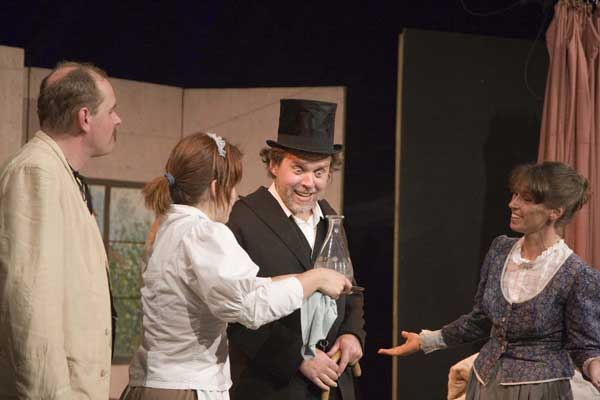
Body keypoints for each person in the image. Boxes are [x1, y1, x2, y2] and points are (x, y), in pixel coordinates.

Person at [122, 132, 351, 400]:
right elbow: (251, 307)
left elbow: (242, 287)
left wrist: (307, 278)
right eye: (232, 187)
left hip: (153, 381)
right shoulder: (205, 233)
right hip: (185, 385)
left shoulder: (166, 227)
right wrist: (315, 279)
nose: (234, 197)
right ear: (216, 188)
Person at [378, 161, 600, 399]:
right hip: (485, 384)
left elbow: (585, 345)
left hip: (539, 390)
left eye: (526, 199)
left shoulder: (577, 275)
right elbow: (481, 319)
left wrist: (594, 365)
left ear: (555, 212)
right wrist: (426, 341)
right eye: (515, 195)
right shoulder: (500, 250)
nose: (513, 204)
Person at [226, 99, 366, 400]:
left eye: (319, 172)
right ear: (274, 164)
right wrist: (298, 358)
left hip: (333, 385)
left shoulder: (330, 218)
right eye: (299, 169)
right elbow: (234, 310)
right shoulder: (243, 218)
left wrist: (352, 334)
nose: (308, 183)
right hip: (271, 387)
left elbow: (350, 289)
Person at [0, 61, 121, 398]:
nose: (118, 120)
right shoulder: (36, 172)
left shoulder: (60, 174)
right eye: (111, 110)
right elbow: (31, 307)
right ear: (85, 118)